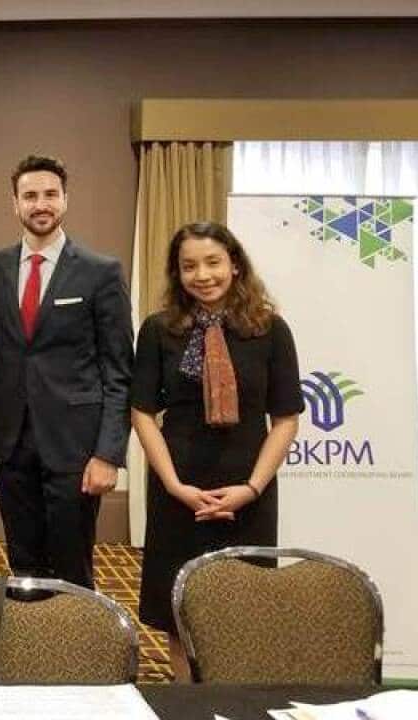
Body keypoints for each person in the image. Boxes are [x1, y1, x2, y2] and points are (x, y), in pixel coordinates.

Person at [131, 221, 303, 680]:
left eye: (212, 262)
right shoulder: (159, 330)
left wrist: (252, 487)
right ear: (177, 273)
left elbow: (286, 418)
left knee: (242, 614)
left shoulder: (269, 330)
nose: (202, 275)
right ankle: (186, 703)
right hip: (179, 488)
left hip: (248, 488)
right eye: (189, 266)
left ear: (235, 265)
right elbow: (142, 412)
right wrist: (173, 485)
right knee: (179, 614)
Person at [0, 154, 134, 589]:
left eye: (49, 194)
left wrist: (108, 453)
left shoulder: (101, 272)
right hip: (11, 445)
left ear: (65, 199)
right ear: (15, 203)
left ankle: (76, 655)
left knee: (72, 569)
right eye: (30, 196)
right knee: (23, 566)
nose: (40, 204)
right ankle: (30, 653)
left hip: (76, 448)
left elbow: (120, 370)